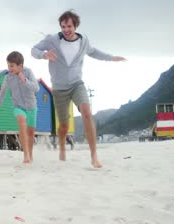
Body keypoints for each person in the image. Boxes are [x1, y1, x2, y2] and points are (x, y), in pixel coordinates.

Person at [31, 10, 126, 168]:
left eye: (69, 26)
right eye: (63, 26)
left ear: (75, 26)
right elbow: (34, 50)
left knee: (87, 113)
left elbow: (94, 52)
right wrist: (44, 54)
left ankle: (94, 156)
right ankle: (62, 146)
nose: (66, 30)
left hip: (77, 84)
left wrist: (112, 58)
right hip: (59, 89)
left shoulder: (83, 42)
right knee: (64, 126)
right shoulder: (52, 40)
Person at [0, 51, 39, 163]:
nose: (9, 68)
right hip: (18, 106)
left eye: (12, 66)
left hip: (31, 106)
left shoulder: (28, 72)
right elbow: (3, 91)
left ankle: (30, 154)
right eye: (8, 65)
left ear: (20, 66)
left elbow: (36, 88)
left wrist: (25, 81)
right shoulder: (8, 78)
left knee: (31, 132)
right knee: (21, 122)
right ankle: (26, 155)